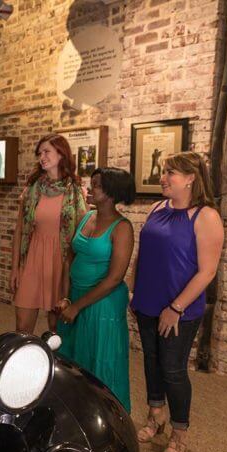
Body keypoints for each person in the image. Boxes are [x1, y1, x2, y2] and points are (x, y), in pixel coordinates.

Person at [131, 151, 224, 452]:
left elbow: (207, 271)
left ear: (190, 178)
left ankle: (179, 432)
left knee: (172, 369)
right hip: (147, 301)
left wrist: (176, 307)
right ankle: (155, 415)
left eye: (170, 172)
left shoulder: (206, 216)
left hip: (179, 308)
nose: (163, 178)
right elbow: (143, 255)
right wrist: (133, 289)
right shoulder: (158, 207)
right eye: (163, 171)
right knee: (152, 362)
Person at [57, 168, 136, 412]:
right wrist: (66, 296)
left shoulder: (122, 228)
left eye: (97, 185)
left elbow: (114, 278)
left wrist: (77, 306)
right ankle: (76, 411)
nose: (91, 189)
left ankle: (106, 416)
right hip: (76, 297)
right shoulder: (86, 217)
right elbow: (69, 257)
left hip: (102, 302)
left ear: (112, 193)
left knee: (100, 360)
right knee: (71, 358)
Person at [10, 134, 87, 332]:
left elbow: (81, 232)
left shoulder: (75, 191)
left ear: (61, 154)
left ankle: (51, 363)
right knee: (22, 327)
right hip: (32, 259)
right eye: (40, 153)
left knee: (56, 329)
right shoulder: (32, 190)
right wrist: (15, 268)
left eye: (47, 152)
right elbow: (19, 231)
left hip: (61, 262)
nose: (41, 157)